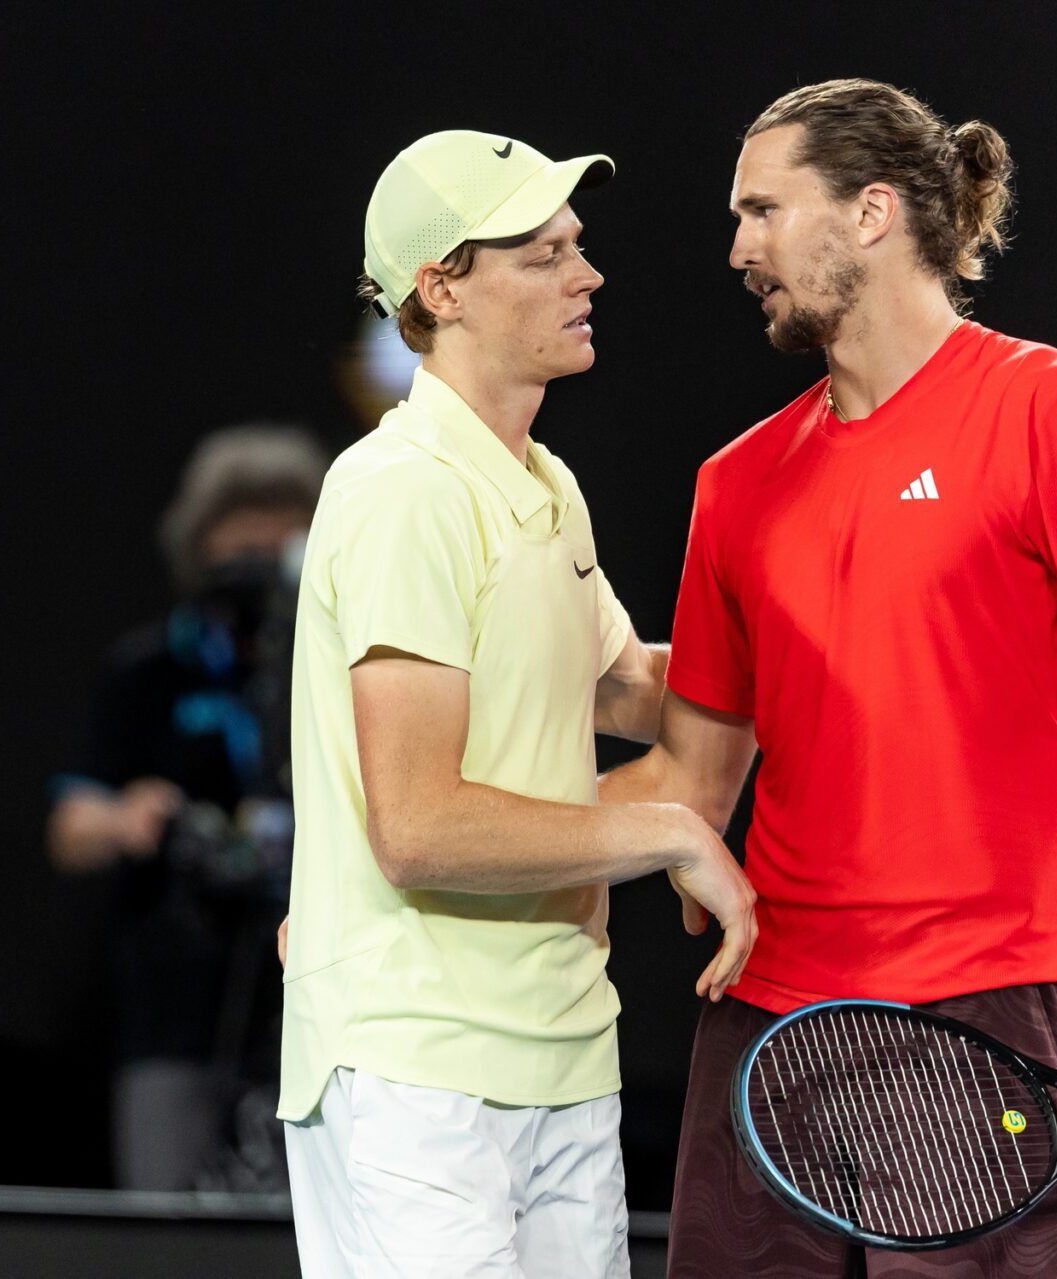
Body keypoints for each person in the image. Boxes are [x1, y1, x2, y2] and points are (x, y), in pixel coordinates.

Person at [598, 79, 1057, 1277]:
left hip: (978, 1023)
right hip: (763, 1033)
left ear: (874, 211)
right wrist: (393, 877)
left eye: (764, 211)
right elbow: (691, 777)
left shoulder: (1055, 411)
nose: (738, 248)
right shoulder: (734, 483)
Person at [277, 130, 755, 1279]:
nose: (585, 277)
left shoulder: (545, 482)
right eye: (541, 255)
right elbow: (420, 826)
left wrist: (841, 664)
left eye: (577, 248)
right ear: (440, 287)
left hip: (564, 1057)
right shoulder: (402, 493)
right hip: (413, 1074)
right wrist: (669, 829)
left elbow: (628, 688)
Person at [48, 424, 326, 1192]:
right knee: (167, 1230)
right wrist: (125, 817)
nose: (258, 561)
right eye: (240, 539)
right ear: (199, 545)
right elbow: (70, 825)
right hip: (173, 1000)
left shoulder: (337, 668)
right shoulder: (147, 670)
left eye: (282, 539)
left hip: (312, 1005)